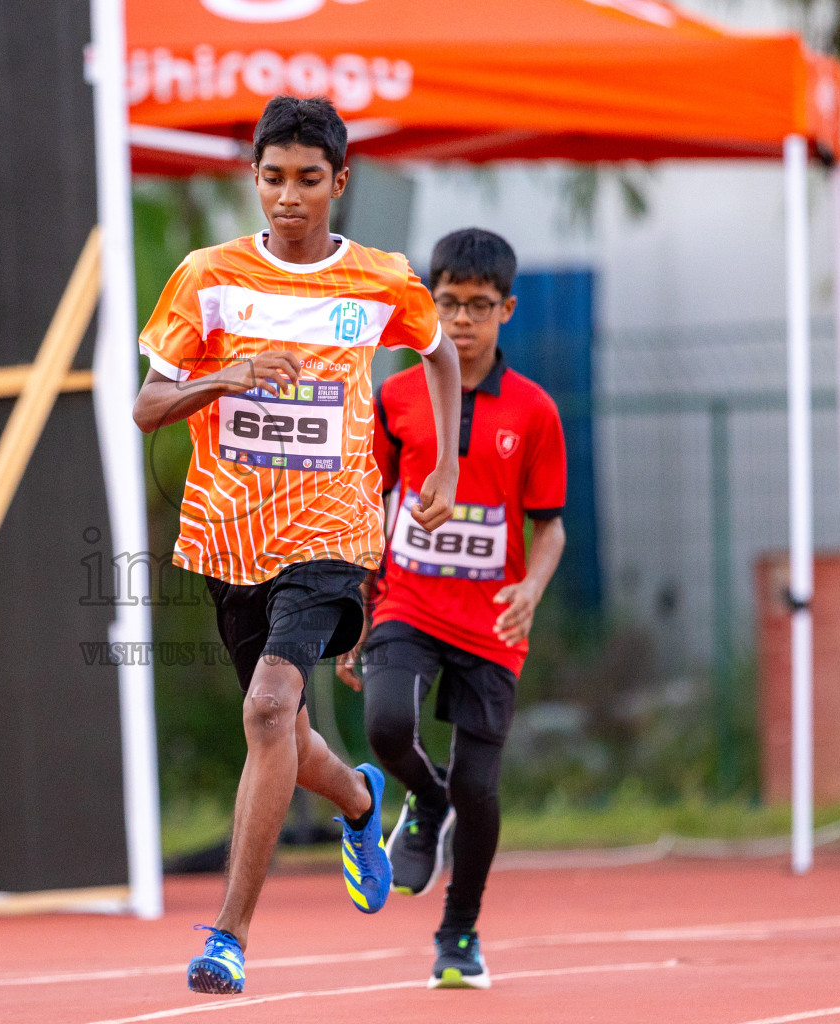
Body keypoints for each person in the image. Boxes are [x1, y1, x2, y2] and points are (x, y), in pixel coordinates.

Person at [133, 95, 462, 996]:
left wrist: (444, 465)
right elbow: (146, 407)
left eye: (308, 180)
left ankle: (229, 937)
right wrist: (227, 374)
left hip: (334, 533)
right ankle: (359, 798)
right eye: (272, 178)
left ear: (339, 183)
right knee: (284, 730)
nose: (287, 197)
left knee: (270, 712)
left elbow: (439, 351)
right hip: (231, 535)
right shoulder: (207, 278)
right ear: (255, 180)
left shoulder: (380, 279)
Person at [339, 228, 567, 989]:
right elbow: (368, 509)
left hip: (492, 622)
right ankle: (423, 800)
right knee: (384, 726)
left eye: (477, 306)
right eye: (447, 303)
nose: (461, 320)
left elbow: (551, 526)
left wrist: (530, 590)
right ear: (427, 305)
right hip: (406, 598)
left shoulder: (534, 411)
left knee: (481, 787)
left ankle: (459, 933)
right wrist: (354, 608)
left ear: (506, 308)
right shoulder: (396, 396)